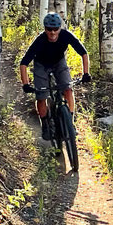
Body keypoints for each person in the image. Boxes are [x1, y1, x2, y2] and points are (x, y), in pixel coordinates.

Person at [19, 12, 90, 140]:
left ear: (59, 28)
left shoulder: (66, 36)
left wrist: (86, 73)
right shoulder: (40, 40)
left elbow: (83, 53)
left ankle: (70, 122)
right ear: (45, 29)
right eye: (49, 29)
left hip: (59, 63)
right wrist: (25, 84)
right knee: (41, 96)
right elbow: (24, 63)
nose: (52, 33)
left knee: (68, 88)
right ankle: (45, 124)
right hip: (41, 65)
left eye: (55, 29)